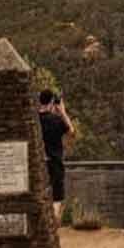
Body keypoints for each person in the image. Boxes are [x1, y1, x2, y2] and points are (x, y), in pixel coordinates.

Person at [38, 89, 75, 223]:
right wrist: (62, 112)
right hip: (55, 162)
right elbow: (71, 131)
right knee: (57, 196)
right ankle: (52, 224)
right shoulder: (56, 120)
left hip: (39, 163)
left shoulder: (34, 121)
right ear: (52, 102)